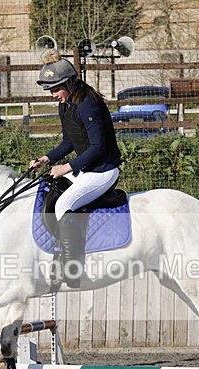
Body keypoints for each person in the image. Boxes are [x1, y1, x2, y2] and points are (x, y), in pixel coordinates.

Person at [29, 49, 121, 291]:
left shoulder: (88, 105)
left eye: (56, 89)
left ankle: (73, 269)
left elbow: (99, 147)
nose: (53, 95)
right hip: (86, 169)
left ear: (70, 83)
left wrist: (66, 167)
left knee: (63, 204)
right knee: (48, 186)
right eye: (50, 90)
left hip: (103, 170)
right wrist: (45, 159)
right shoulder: (66, 105)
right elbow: (69, 141)